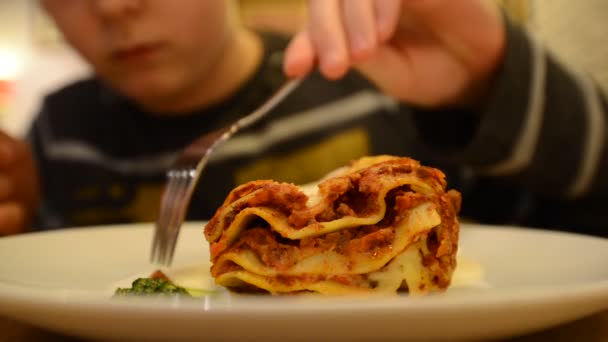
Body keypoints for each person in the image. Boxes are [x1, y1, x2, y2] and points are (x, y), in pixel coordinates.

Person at [0, 0, 606, 237]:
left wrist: (494, 81)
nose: (111, 7)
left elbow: (583, 223)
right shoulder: (59, 134)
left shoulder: (383, 85)